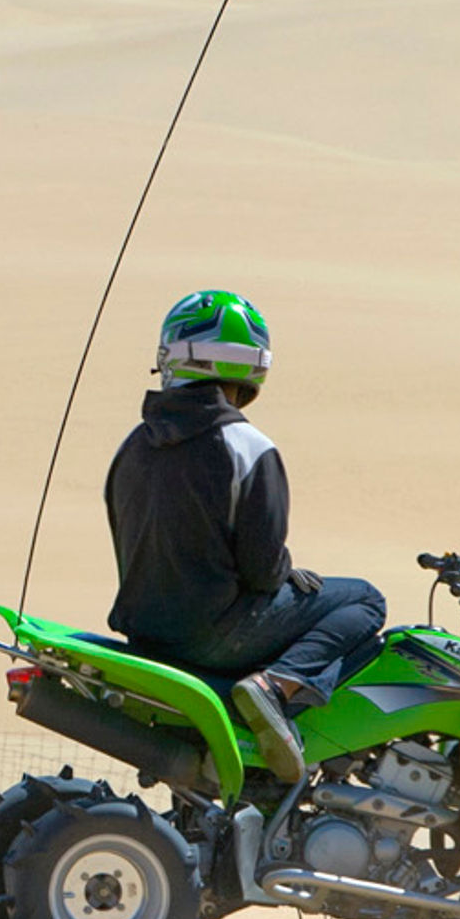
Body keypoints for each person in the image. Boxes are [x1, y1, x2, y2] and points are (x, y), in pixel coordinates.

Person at [102, 287, 385, 779]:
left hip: (145, 635)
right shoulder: (247, 446)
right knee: (364, 599)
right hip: (213, 635)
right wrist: (288, 573)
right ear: (251, 366)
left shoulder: (131, 448)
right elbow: (262, 572)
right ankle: (278, 686)